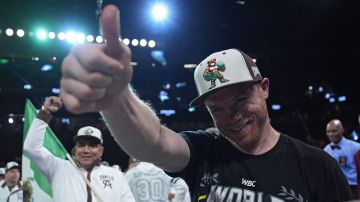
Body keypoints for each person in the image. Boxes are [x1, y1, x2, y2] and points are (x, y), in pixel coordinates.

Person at [59, 4, 353, 201]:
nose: (232, 116)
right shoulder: (205, 151)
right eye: (217, 108)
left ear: (264, 88)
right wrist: (116, 98)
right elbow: (155, 142)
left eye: (240, 99)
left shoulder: (316, 166)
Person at [23, 96, 135, 202]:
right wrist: (45, 112)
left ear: (101, 150)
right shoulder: (57, 168)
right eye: (81, 144)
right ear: (75, 148)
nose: (86, 150)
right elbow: (31, 148)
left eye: (92, 145)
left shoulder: (115, 175)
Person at [324, 119, 360, 198]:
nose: (331, 134)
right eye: (328, 131)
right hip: (335, 187)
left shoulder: (356, 147)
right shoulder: (326, 149)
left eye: (334, 131)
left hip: (352, 187)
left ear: (342, 130)